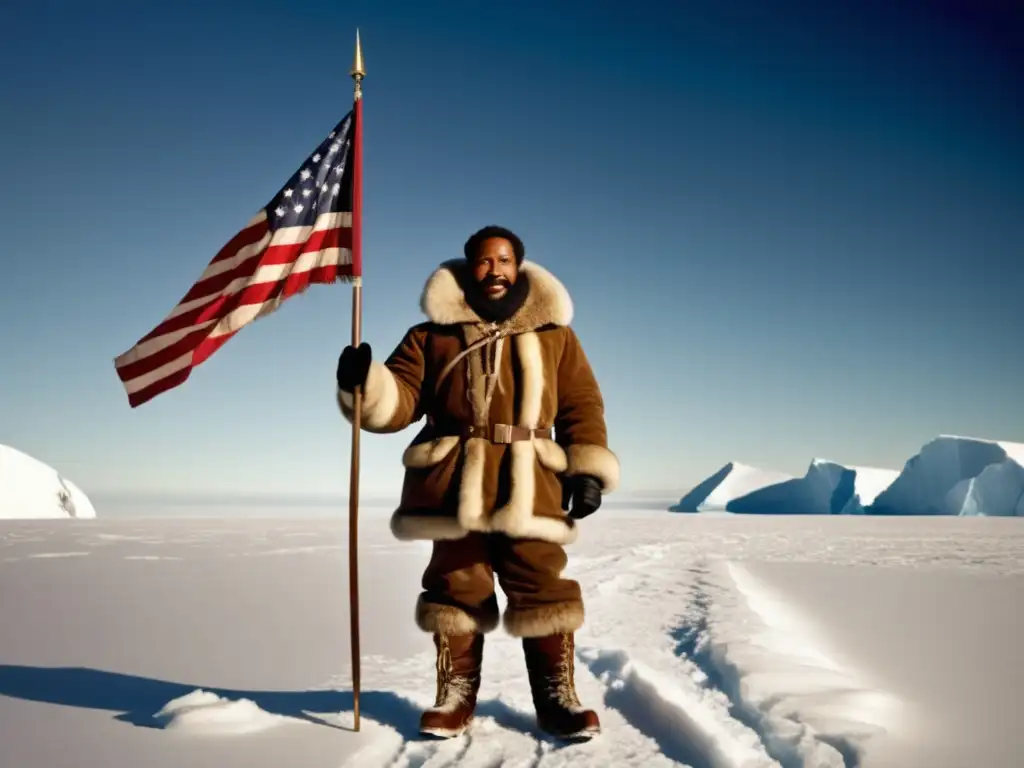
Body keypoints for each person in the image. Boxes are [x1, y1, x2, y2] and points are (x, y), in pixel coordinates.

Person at [335, 225, 619, 741]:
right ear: (469, 270)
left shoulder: (556, 336)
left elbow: (582, 406)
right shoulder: (431, 336)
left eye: (505, 260)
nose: (495, 270)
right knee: (455, 586)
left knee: (542, 586)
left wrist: (588, 470)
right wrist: (363, 382)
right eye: (485, 262)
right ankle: (456, 696)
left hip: (531, 483)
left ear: (519, 266)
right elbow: (397, 402)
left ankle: (558, 698)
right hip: (453, 485)